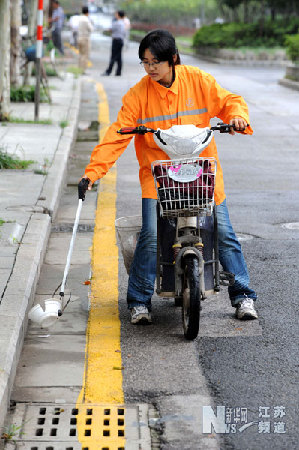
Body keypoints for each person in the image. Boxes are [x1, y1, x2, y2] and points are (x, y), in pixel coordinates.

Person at [81, 29, 258, 325]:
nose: (150, 69)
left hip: (202, 174)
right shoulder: (139, 94)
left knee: (224, 234)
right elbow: (117, 135)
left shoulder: (198, 81)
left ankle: (243, 296)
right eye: (145, 62)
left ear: (172, 59)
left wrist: (237, 118)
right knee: (150, 237)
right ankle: (138, 301)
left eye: (156, 62)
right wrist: (92, 173)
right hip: (159, 177)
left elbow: (230, 101)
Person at [102, 10, 126, 76]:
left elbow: (110, 29)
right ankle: (118, 72)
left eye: (116, 14)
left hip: (116, 41)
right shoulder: (123, 23)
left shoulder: (117, 23)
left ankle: (108, 71)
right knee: (119, 57)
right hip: (120, 41)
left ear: (118, 15)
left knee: (113, 57)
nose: (115, 15)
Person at [77, 6, 93, 73]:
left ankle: (79, 68)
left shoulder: (79, 18)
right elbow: (91, 29)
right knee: (85, 55)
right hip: (85, 38)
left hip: (79, 37)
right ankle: (83, 70)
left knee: (80, 54)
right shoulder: (86, 19)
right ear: (87, 12)